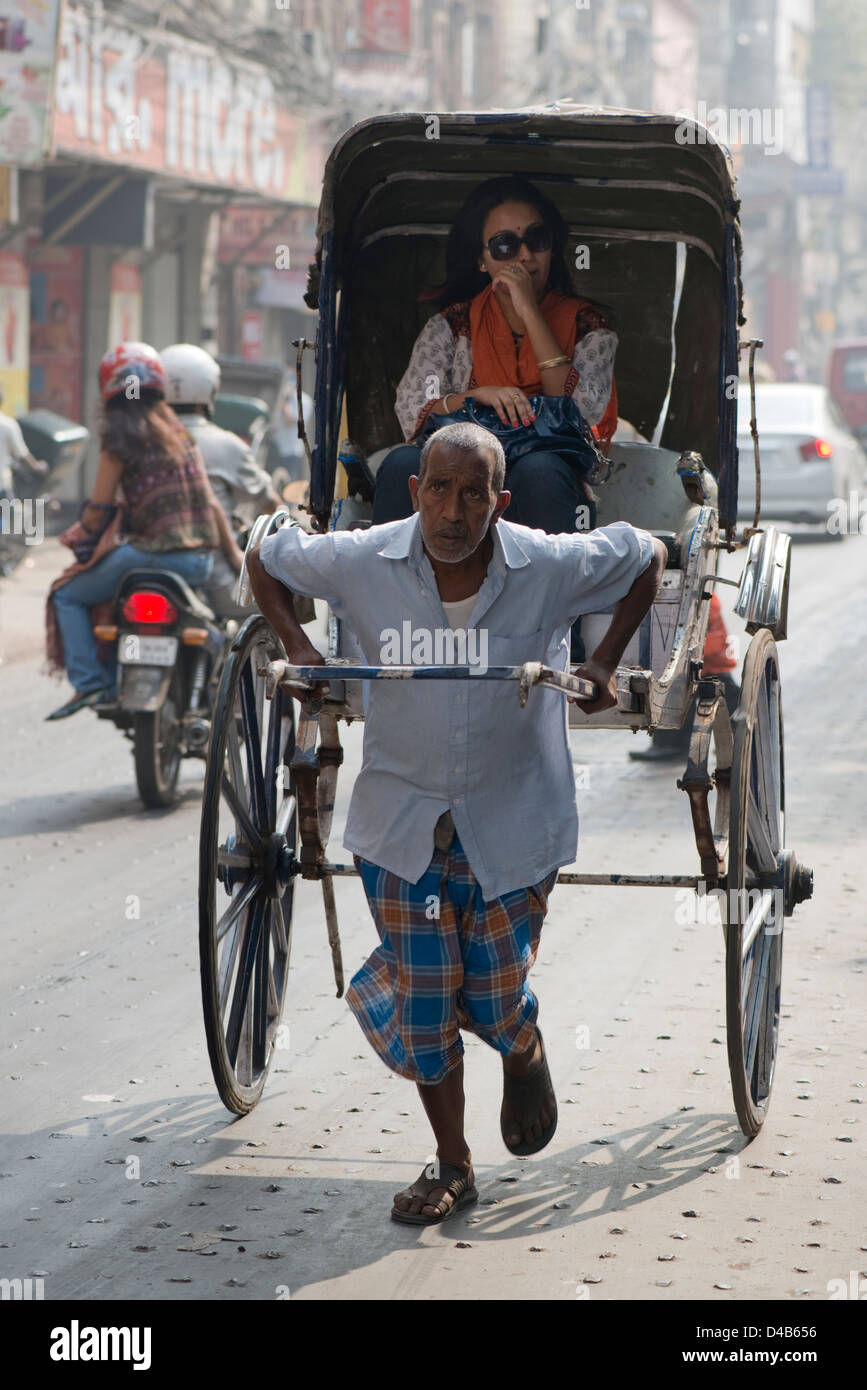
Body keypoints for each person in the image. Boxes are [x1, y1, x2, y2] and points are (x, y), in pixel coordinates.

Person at [247, 421, 666, 1225]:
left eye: (473, 494)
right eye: (438, 490)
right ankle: (453, 1164)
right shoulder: (364, 557)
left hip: (516, 819)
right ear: (415, 491)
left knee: (496, 995)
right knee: (432, 1007)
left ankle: (522, 1043)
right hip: (401, 819)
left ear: (498, 501)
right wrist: (300, 647)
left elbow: (646, 555)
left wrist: (603, 661)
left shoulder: (545, 563)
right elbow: (262, 559)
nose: (452, 511)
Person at [372, 174, 617, 539]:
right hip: (461, 466)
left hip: (545, 470)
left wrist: (530, 311)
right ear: (482, 260)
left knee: (538, 472)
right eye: (505, 246)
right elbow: (413, 404)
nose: (524, 256)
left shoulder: (589, 326)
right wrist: (475, 396)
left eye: (536, 240)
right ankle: (397, 585)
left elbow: (577, 412)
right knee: (401, 464)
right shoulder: (451, 326)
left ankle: (548, 592)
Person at [45, 341, 244, 720]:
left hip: (144, 555)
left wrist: (79, 539)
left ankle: (91, 682)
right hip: (198, 561)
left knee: (66, 595)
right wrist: (233, 556)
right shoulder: (179, 434)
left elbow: (99, 509)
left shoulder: (118, 438)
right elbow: (211, 503)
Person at [160, 342, 280, 618]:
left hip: (138, 565)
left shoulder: (140, 441)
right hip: (209, 570)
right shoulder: (226, 445)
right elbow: (267, 500)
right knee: (273, 609)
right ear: (209, 391)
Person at [0, 384, 48, 496]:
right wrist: (38, 467)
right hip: (1, 487)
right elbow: (22, 455)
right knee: (7, 512)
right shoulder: (8, 425)